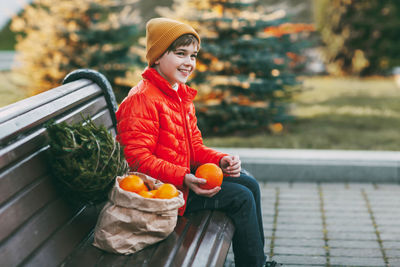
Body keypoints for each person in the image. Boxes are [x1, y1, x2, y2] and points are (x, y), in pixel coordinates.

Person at [115, 17, 281, 267]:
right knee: (241, 197)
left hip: (179, 180)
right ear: (157, 56)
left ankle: (257, 260)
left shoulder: (179, 95)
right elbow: (137, 160)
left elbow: (194, 148)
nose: (189, 63)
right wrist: (184, 177)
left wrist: (220, 160)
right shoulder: (143, 99)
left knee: (248, 182)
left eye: (193, 55)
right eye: (181, 54)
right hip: (162, 191)